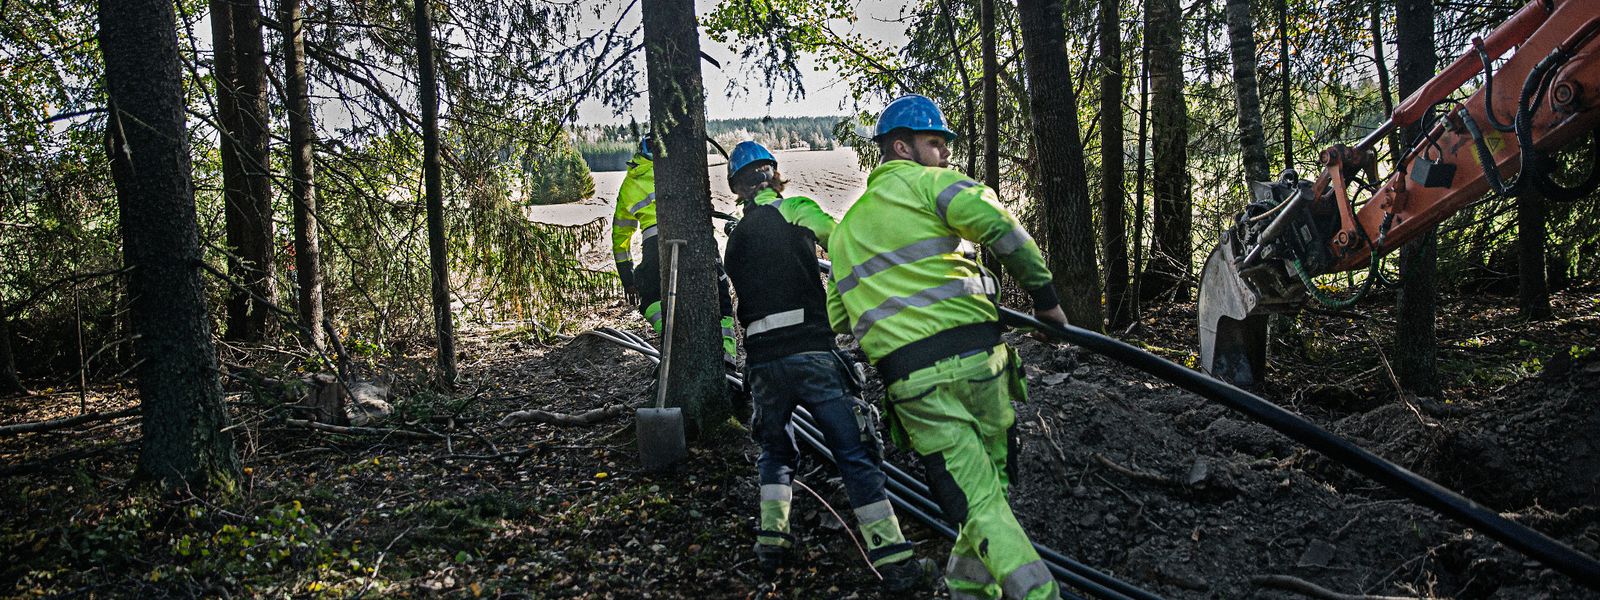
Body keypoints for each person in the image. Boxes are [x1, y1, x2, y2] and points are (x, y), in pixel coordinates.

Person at [825, 95, 1067, 600]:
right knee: (988, 497)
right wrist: (1047, 303)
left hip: (915, 385)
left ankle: (970, 591)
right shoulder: (933, 185)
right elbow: (1003, 229)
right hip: (983, 366)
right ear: (902, 147)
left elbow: (840, 318)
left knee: (981, 501)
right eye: (935, 143)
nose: (945, 154)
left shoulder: (844, 234)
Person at [721, 141, 935, 591]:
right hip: (813, 354)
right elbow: (842, 245)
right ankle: (895, 562)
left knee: (775, 453)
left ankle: (772, 542)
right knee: (855, 452)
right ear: (773, 174)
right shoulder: (795, 208)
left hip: (762, 365)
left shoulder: (735, 240)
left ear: (737, 188)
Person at [610, 135, 737, 360]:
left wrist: (628, 278)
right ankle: (726, 355)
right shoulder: (684, 168)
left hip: (655, 246)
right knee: (720, 294)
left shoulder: (632, 181)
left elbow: (621, 235)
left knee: (649, 295)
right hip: (698, 238)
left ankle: (675, 346)